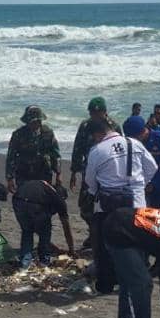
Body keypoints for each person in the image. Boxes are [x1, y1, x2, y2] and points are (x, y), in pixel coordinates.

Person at [83, 117, 159, 296]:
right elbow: (152, 168)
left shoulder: (97, 150)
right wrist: (138, 185)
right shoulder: (134, 143)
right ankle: (137, 279)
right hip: (137, 203)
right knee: (137, 243)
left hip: (109, 205)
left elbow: (90, 181)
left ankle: (107, 283)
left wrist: (96, 191)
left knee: (105, 245)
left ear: (97, 134)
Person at [69, 96, 120, 246]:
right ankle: (93, 233)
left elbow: (120, 149)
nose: (95, 116)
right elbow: (77, 148)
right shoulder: (85, 126)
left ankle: (102, 236)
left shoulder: (114, 127)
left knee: (106, 206)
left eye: (98, 113)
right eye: (92, 113)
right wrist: (74, 172)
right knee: (85, 207)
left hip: (108, 172)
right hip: (89, 170)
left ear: (105, 112)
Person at [13, 179, 75, 268]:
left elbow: (36, 227)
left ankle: (24, 263)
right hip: (35, 205)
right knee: (45, 231)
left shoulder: (43, 186)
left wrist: (53, 247)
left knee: (27, 231)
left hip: (17, 201)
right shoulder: (59, 200)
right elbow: (66, 226)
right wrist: (71, 249)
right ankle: (44, 261)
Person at [124, 115, 160, 209]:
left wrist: (154, 184)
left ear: (142, 132)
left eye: (133, 138)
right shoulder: (130, 143)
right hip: (143, 191)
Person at [5, 105, 61, 193]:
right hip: (24, 173)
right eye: (32, 122)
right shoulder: (18, 135)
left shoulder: (48, 133)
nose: (35, 124)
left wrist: (58, 174)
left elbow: (55, 154)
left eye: (38, 121)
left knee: (43, 199)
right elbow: (11, 156)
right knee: (24, 200)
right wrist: (9, 178)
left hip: (43, 172)